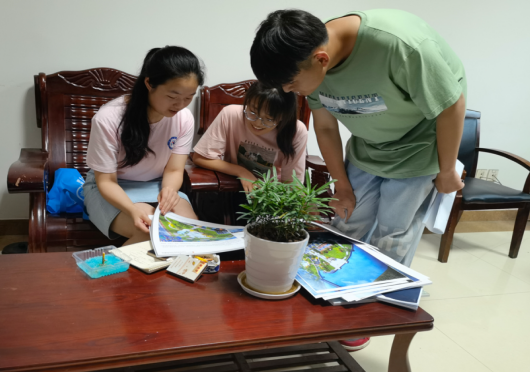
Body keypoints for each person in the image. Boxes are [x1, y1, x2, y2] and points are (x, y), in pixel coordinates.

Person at [251, 9, 467, 351]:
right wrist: (342, 184)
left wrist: (445, 170)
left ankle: (369, 315)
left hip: (422, 146)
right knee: (347, 222)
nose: (289, 92)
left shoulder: (403, 46)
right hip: (368, 145)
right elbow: (325, 127)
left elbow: (451, 105)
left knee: (393, 233)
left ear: (322, 60)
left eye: (291, 84)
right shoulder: (308, 60)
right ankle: (337, 295)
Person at [83, 46, 204, 246]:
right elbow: (106, 181)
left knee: (191, 233)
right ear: (149, 83)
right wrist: (132, 210)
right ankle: (110, 267)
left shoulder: (184, 118)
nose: (180, 105)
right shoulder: (108, 118)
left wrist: (170, 190)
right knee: (153, 231)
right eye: (172, 97)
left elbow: (174, 170)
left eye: (188, 97)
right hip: (112, 188)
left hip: (156, 185)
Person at [192, 82, 308, 215]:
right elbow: (200, 157)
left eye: (269, 119)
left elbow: (292, 185)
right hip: (232, 186)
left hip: (271, 195)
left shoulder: (296, 131)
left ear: (283, 116)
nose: (257, 123)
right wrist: (242, 172)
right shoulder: (230, 114)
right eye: (252, 112)